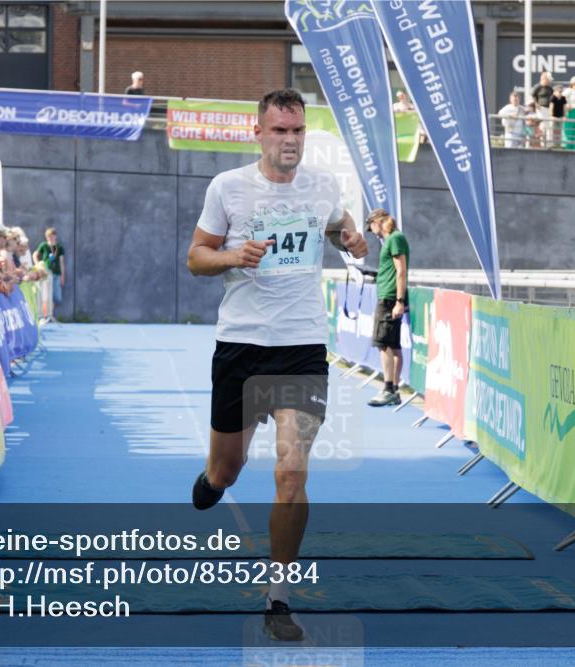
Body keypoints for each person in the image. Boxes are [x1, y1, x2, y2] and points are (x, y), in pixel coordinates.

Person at [186, 88, 368, 641]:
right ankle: (214, 479)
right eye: (279, 130)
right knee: (228, 470)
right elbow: (196, 257)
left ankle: (278, 597)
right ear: (258, 133)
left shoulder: (323, 185)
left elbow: (335, 224)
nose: (289, 140)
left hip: (302, 345)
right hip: (241, 345)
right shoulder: (229, 188)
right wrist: (230, 256)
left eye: (297, 131)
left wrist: (351, 238)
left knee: (291, 471)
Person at [365, 209, 410, 407]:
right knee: (392, 344)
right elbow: (395, 271)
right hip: (391, 296)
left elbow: (401, 270)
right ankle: (394, 389)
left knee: (384, 344)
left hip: (390, 298)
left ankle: (389, 388)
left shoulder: (394, 239)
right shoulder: (394, 239)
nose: (372, 231)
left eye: (372, 226)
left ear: (377, 222)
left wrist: (399, 301)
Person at [33, 227, 65, 307]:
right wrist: (37, 264)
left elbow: (61, 262)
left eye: (51, 236)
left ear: (55, 236)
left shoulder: (59, 247)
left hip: (56, 273)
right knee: (46, 295)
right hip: (46, 273)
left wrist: (62, 276)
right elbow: (35, 254)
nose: (50, 238)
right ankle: (47, 315)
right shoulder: (44, 245)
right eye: (48, 236)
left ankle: (51, 312)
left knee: (56, 297)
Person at [530, 71, 554, 147]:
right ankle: (542, 144)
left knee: (549, 126)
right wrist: (536, 104)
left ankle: (549, 144)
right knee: (542, 125)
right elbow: (532, 96)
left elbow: (553, 97)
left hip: (549, 110)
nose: (549, 81)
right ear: (544, 78)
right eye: (548, 79)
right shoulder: (538, 87)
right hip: (541, 109)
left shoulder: (550, 88)